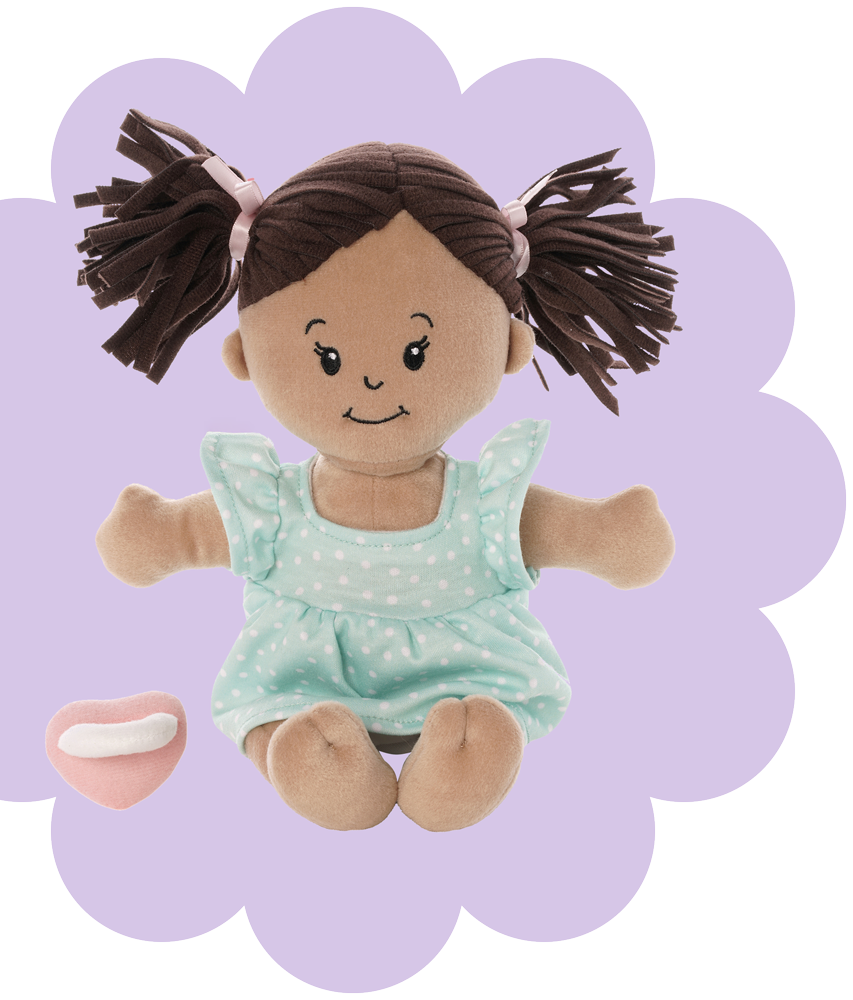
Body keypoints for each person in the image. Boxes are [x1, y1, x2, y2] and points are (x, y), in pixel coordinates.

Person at [59, 110, 677, 832]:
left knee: (482, 719)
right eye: (327, 357)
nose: (374, 383)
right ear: (246, 356)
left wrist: (605, 534)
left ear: (509, 347)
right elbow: (196, 534)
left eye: (417, 353)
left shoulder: (486, 502)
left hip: (470, 679)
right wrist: (161, 533)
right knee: (281, 722)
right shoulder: (270, 503)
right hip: (301, 683)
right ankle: (318, 767)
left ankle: (462, 763)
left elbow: (559, 530)